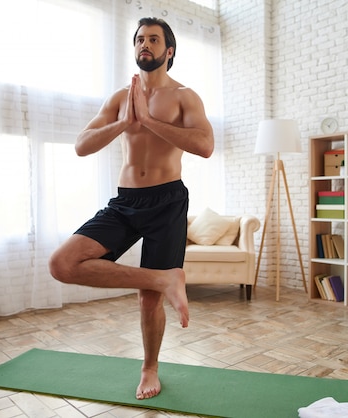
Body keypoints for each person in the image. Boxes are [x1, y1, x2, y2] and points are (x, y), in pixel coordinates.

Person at [48, 17, 214, 400]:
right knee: (63, 263)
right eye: (140, 39)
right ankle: (164, 278)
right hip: (125, 201)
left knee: (147, 300)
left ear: (168, 51)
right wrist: (124, 122)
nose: (145, 44)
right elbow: (82, 144)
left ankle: (149, 367)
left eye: (153, 39)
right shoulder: (121, 97)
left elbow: (205, 145)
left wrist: (149, 121)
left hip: (167, 200)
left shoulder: (184, 96)